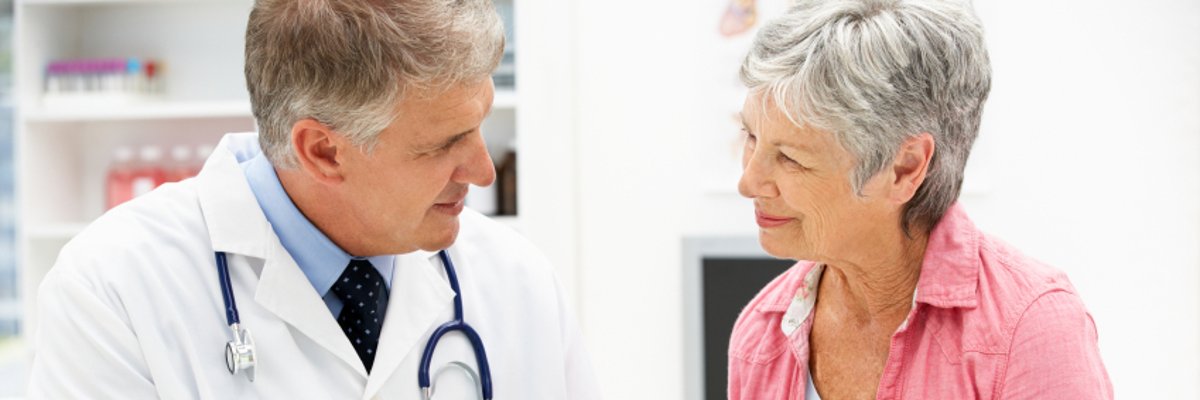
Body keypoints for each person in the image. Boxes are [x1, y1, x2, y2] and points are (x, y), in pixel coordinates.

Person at [27, 1, 598, 398]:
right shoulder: (112, 290)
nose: (481, 171)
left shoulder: (517, 280)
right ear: (322, 151)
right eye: (444, 144)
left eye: (480, 127)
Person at [727, 0, 1113, 399]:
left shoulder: (1032, 329)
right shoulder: (762, 330)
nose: (749, 181)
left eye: (791, 158)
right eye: (750, 137)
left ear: (905, 169)